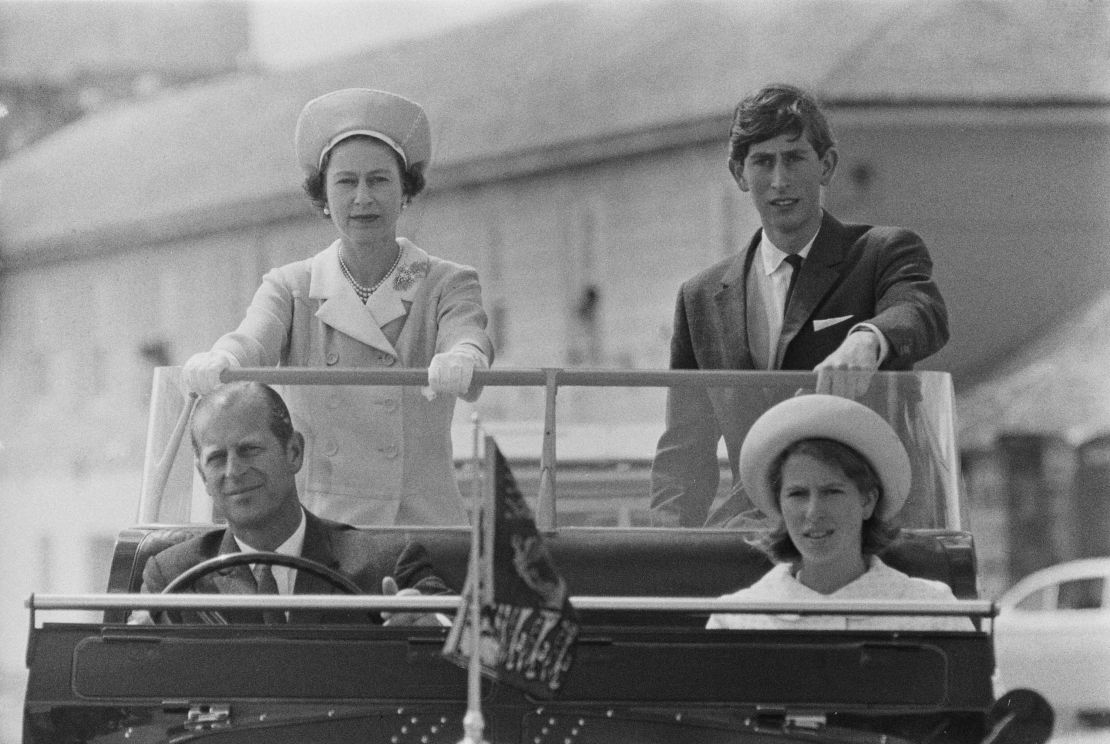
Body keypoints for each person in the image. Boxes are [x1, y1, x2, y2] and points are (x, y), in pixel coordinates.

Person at [181, 88, 493, 526]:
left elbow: (467, 334)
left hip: (420, 524)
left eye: (380, 180)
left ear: (406, 192)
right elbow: (253, 339)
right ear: (324, 198)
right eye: (346, 182)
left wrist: (464, 357)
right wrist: (223, 358)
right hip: (322, 528)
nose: (363, 198)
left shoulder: (444, 281)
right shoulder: (291, 286)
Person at [650, 84, 949, 528]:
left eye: (794, 158)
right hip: (752, 542)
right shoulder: (700, 299)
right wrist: (661, 560)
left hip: (867, 536)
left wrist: (869, 340)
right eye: (762, 162)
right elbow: (684, 456)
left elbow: (921, 309)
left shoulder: (881, 253)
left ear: (826, 166)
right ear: (738, 173)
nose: (779, 180)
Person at [133, 381, 451, 625]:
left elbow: (479, 646)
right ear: (203, 476)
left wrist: (428, 623)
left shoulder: (386, 565)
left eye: (249, 450)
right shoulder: (172, 578)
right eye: (217, 458)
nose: (234, 471)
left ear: (294, 452)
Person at [706, 394, 973, 631]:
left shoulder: (933, 611)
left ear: (867, 501)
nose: (813, 512)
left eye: (832, 492)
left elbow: (975, 687)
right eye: (797, 494)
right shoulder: (735, 619)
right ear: (779, 505)